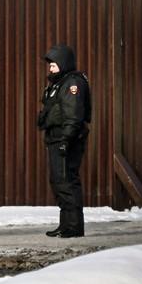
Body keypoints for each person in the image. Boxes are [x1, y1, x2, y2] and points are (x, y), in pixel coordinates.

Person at [37, 43, 92, 238]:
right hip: (56, 137)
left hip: (66, 138)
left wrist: (66, 139)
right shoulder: (59, 84)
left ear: (63, 63)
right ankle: (65, 223)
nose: (50, 69)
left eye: (53, 65)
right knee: (58, 181)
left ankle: (74, 226)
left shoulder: (72, 83)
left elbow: (74, 114)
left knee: (67, 181)